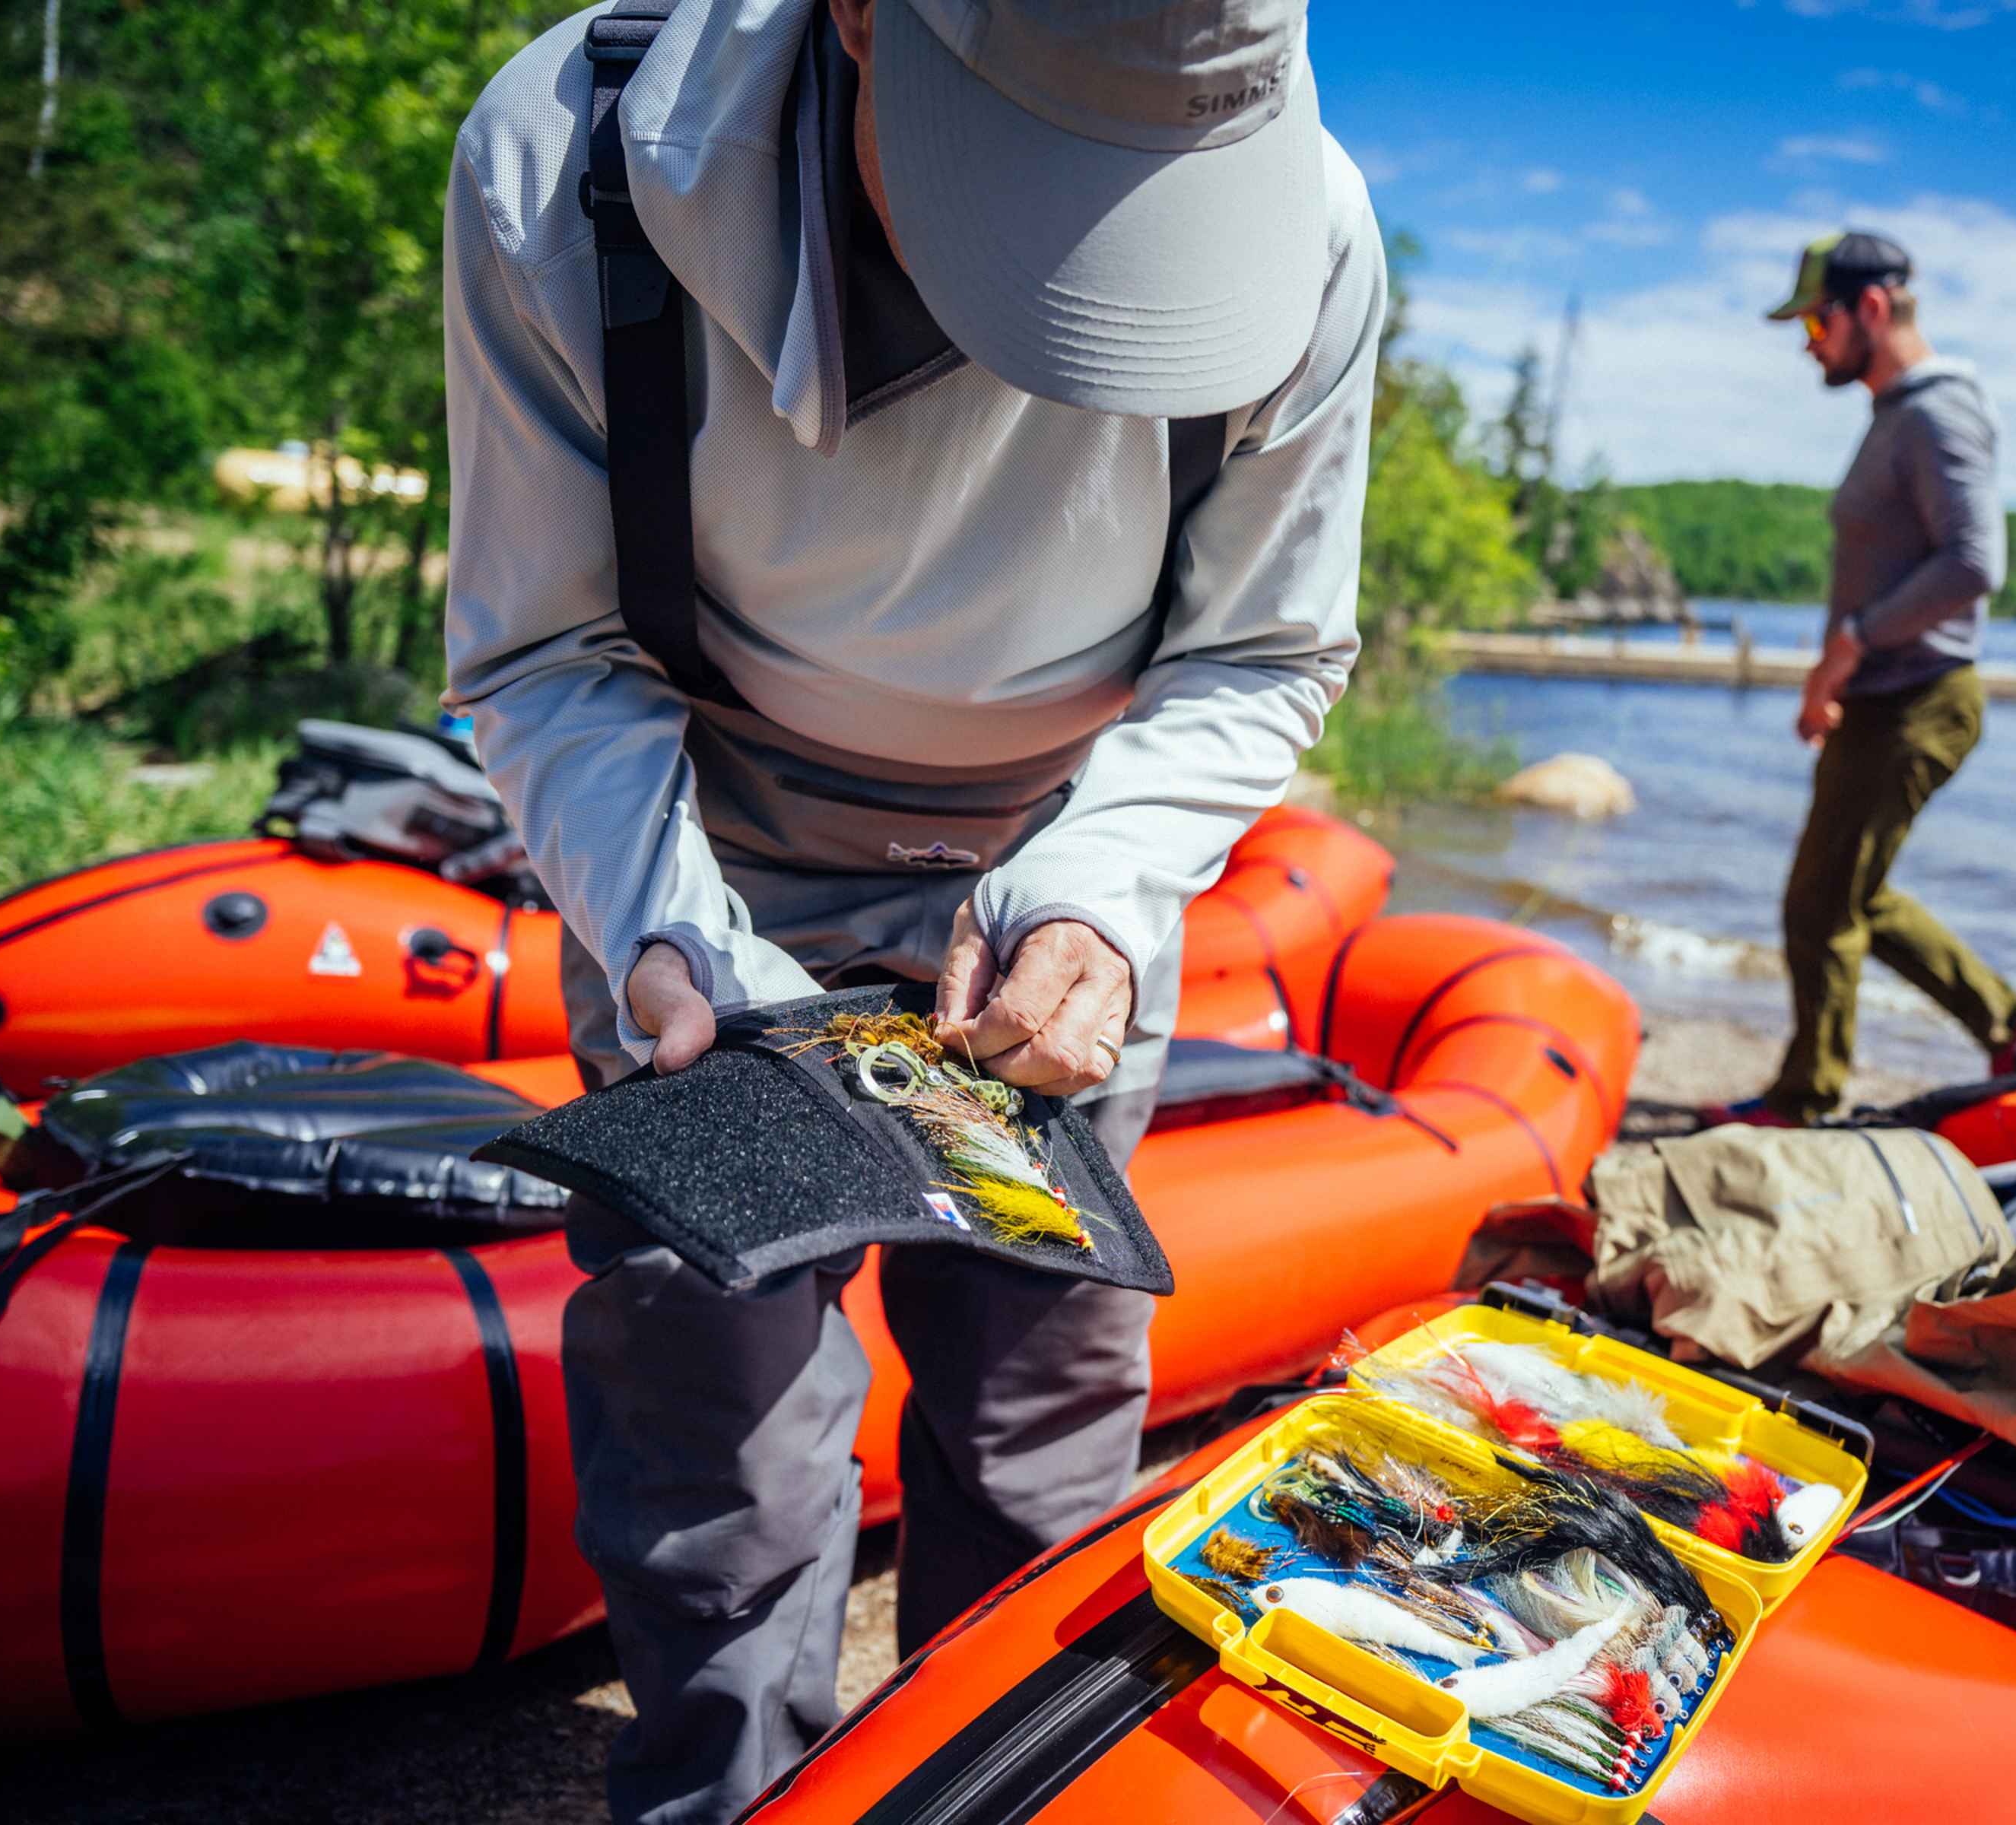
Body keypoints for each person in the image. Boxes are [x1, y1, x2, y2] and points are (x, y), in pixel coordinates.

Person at [441, 0, 1381, 1817]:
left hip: (1068, 848)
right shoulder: (566, 158)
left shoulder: (1316, 235)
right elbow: (545, 641)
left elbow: (1265, 642)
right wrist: (661, 914)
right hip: (695, 820)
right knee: (714, 1421)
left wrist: (1101, 888)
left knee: (1040, 1410)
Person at [1709, 230, 2016, 1128]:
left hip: (1918, 697)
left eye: (1818, 318)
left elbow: (1975, 563)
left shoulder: (1939, 413)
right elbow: (1884, 565)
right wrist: (1834, 679)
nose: (1808, 340)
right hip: (1877, 698)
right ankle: (2013, 1024)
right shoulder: (1895, 414)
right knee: (1850, 890)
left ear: (1874, 308)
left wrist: (1850, 646)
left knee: (1822, 902)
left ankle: (1807, 1097)